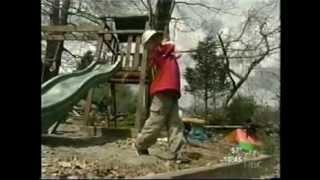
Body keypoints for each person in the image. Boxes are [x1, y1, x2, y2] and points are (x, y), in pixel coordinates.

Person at [134, 30, 190, 163]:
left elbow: (170, 48)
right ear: (148, 45)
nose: (155, 41)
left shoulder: (166, 53)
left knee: (175, 123)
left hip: (172, 91)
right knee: (156, 121)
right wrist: (166, 47)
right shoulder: (157, 53)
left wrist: (170, 51)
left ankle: (177, 152)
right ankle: (140, 145)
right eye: (152, 40)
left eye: (156, 38)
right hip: (162, 91)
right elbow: (168, 46)